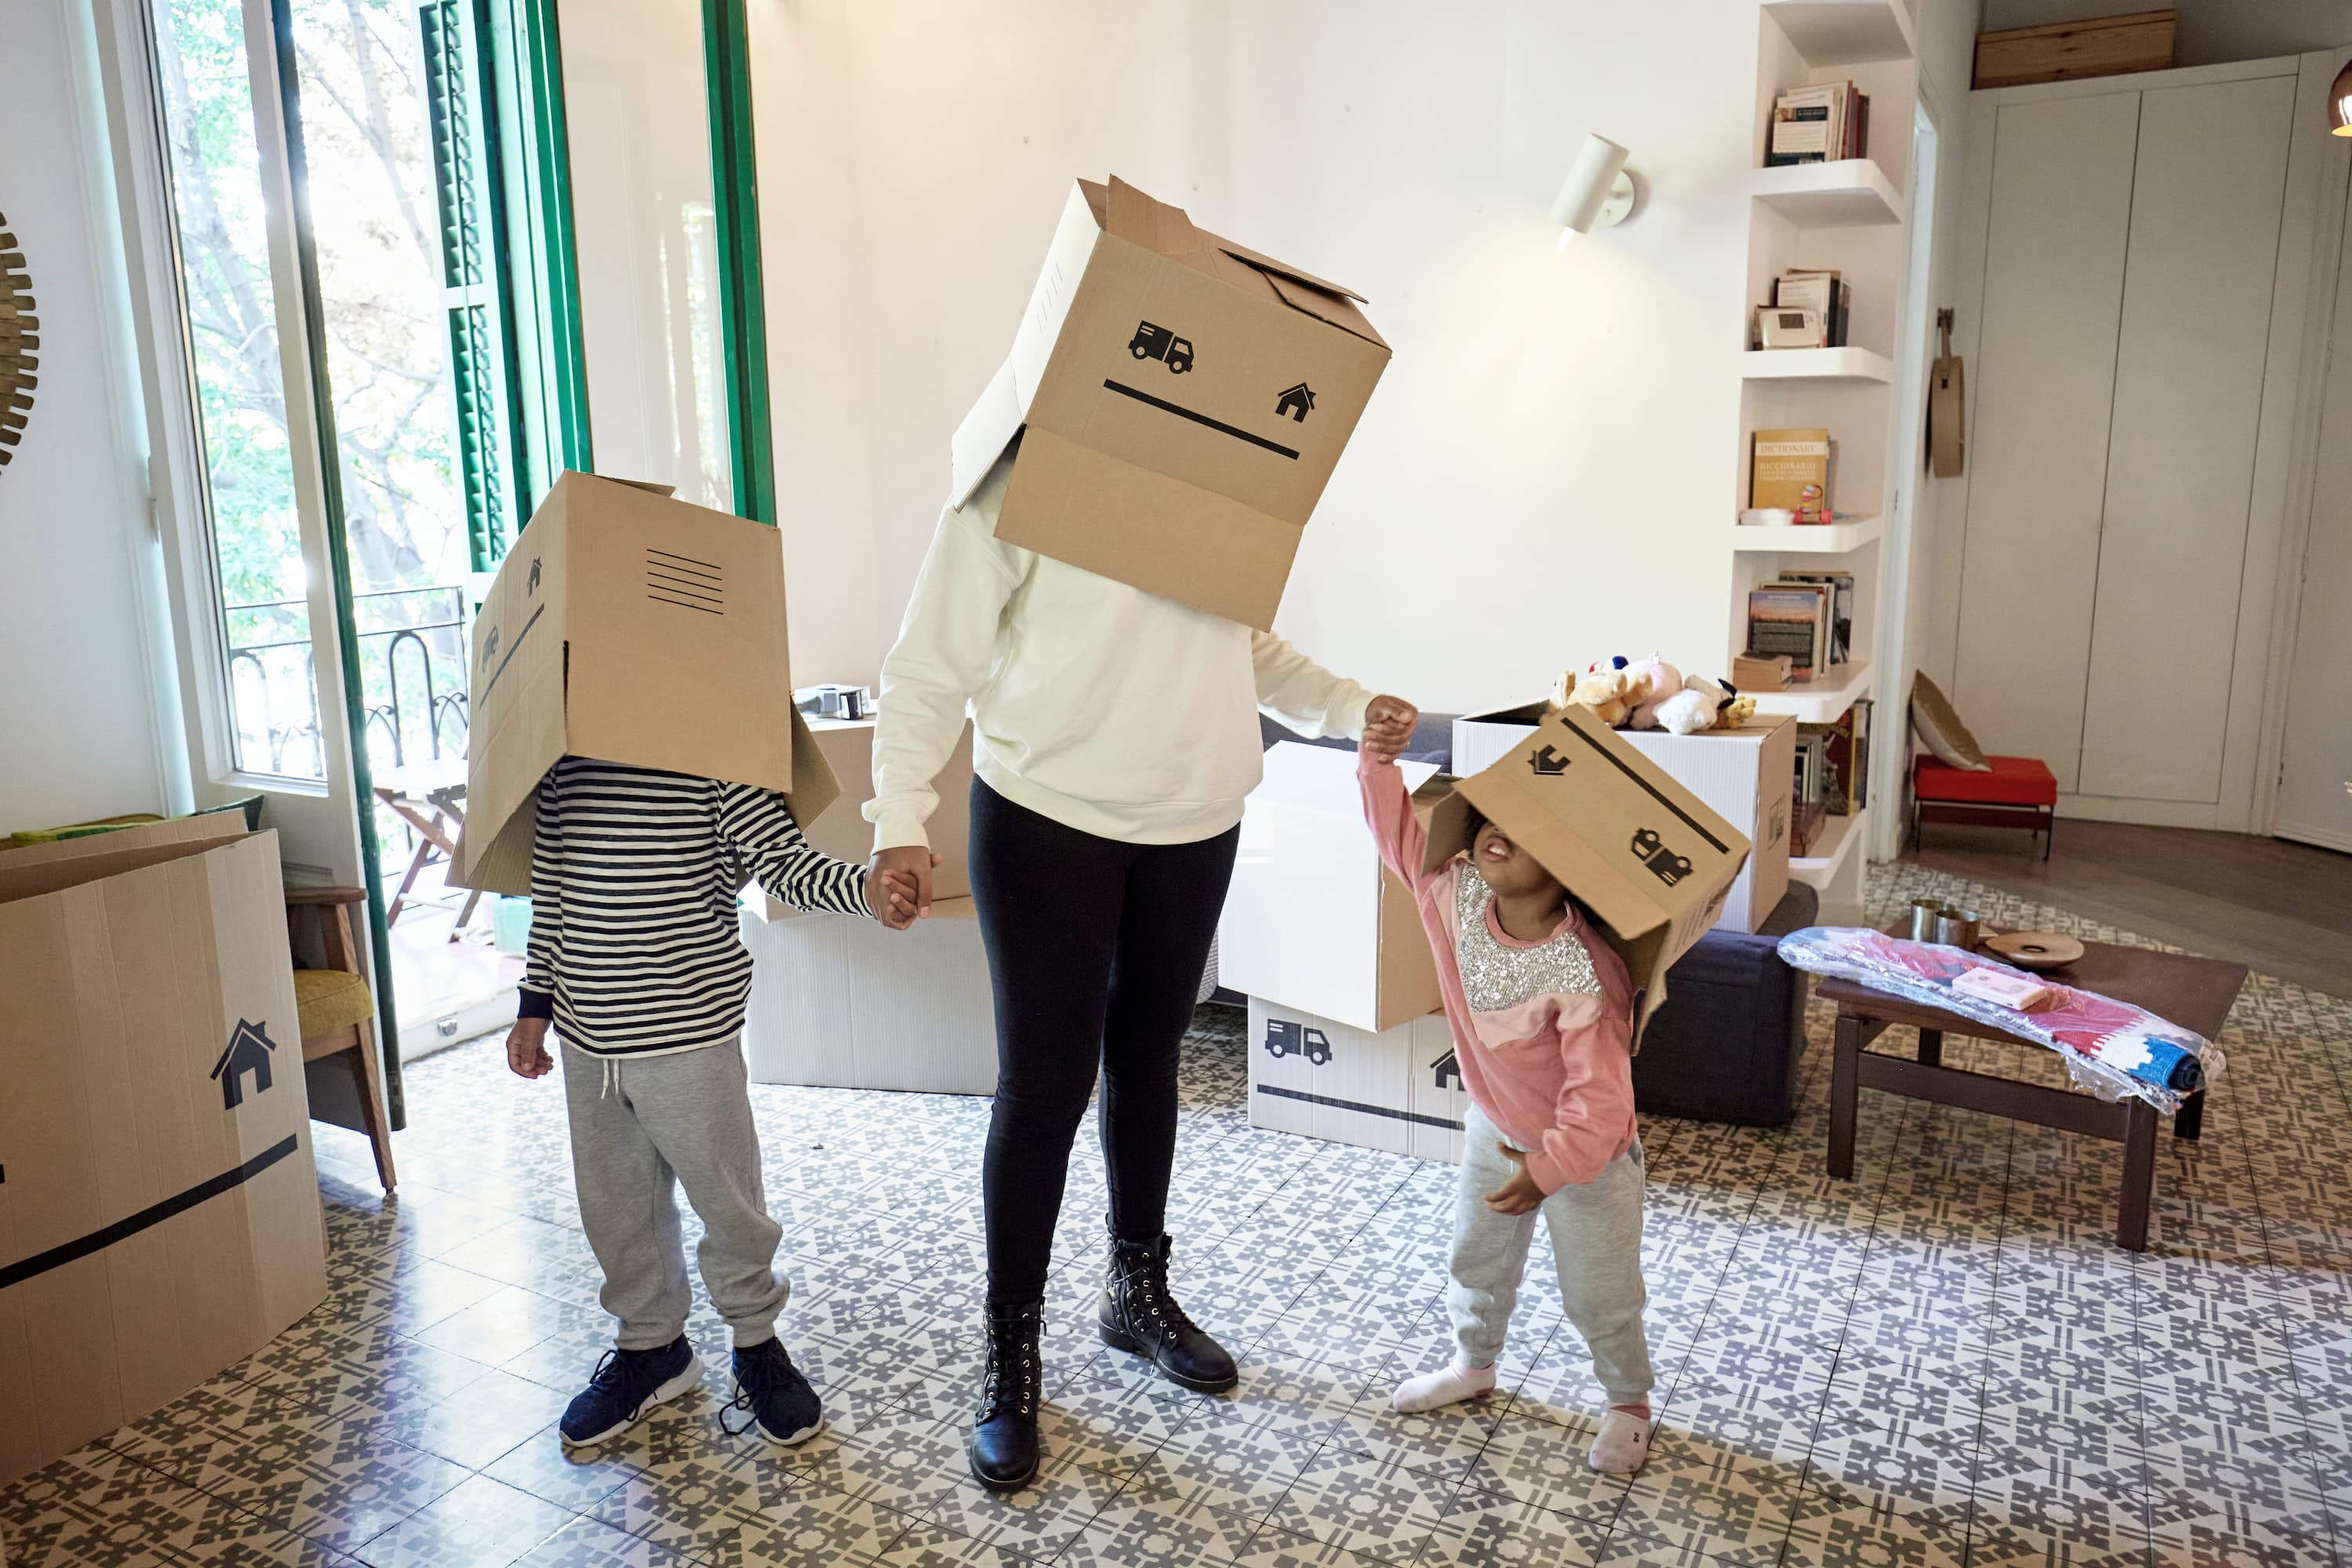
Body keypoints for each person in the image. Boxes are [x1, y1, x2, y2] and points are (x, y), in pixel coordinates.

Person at [867, 449, 1417, 1490]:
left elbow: (1235, 641)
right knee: (1042, 1090)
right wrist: (900, 816)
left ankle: (1136, 1291)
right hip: (1044, 814)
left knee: (1149, 1057)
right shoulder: (1016, 476)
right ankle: (1010, 1353)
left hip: (1194, 815)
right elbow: (929, 662)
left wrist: (1350, 706)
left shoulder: (1217, 474)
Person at [505, 757, 923, 1450]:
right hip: (589, 1041)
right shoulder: (561, 771)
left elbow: (784, 866)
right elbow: (549, 896)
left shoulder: (716, 756)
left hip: (689, 1038)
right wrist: (533, 1005)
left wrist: (866, 889)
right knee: (616, 1208)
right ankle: (652, 1350)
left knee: (728, 1202)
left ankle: (756, 1343)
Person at [1356, 722, 1656, 1477]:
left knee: (1599, 1293)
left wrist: (1549, 1170)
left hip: (1586, 1158)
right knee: (1477, 1259)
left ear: (1571, 871)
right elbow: (1399, 839)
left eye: (1532, 833)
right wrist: (1377, 761)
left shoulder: (1583, 974)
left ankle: (1628, 1403)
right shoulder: (1452, 894)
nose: (1498, 832)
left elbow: (1603, 1109)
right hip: (1495, 1126)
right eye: (1498, 814)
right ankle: (1474, 1363)